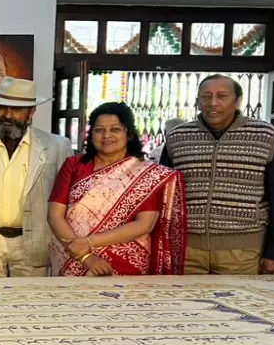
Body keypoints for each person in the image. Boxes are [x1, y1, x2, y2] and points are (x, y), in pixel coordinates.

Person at [160, 75, 274, 275]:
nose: (213, 103)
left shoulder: (264, 135)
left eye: (222, 96)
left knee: (239, 305)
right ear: (198, 101)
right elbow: (163, 195)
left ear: (237, 100)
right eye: (206, 97)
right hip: (186, 251)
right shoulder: (177, 137)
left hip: (242, 251)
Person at [0, 77, 73, 278]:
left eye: (16, 109)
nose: (7, 115)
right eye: (1, 108)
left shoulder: (57, 146)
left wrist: (65, 244)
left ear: (31, 111)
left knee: (29, 305)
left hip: (35, 241)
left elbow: (66, 201)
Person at [48, 103, 186, 276]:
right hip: (72, 255)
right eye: (99, 130)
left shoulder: (145, 173)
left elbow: (145, 224)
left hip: (125, 260)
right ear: (91, 135)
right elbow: (55, 215)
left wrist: (88, 242)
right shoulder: (74, 165)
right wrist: (85, 257)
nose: (107, 136)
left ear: (128, 133)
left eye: (115, 129)